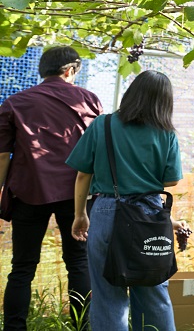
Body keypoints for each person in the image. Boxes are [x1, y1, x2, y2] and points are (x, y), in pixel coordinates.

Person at [66, 70, 184, 331]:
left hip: (107, 211)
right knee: (154, 293)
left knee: (107, 295)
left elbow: (83, 173)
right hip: (151, 215)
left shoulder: (102, 124)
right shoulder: (166, 133)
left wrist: (80, 215)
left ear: (131, 93)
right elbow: (172, 180)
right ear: (164, 101)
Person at [0, 46, 102, 330]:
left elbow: (1, 156)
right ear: (70, 71)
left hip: (29, 193)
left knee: (22, 267)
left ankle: (14, 327)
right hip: (77, 196)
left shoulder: (15, 102)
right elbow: (98, 152)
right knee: (79, 262)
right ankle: (82, 326)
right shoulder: (89, 101)